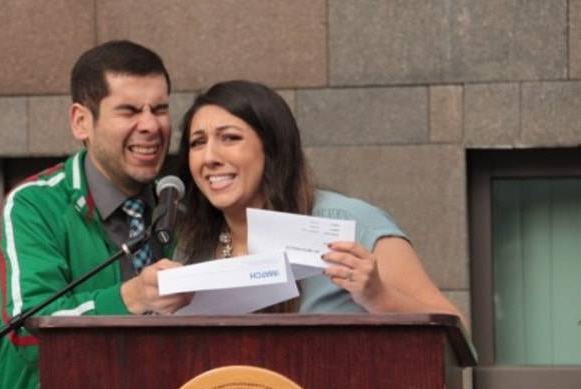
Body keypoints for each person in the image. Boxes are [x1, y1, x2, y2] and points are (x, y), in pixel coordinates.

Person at [0, 40, 190, 389]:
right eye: (129, 110)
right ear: (81, 120)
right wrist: (132, 296)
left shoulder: (183, 204)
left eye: (160, 109)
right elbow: (29, 327)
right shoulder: (33, 206)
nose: (151, 125)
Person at [174, 80, 464, 321]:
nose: (209, 157)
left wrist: (379, 297)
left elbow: (456, 328)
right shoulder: (192, 250)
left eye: (230, 138)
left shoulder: (351, 223)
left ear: (272, 147)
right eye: (197, 143)